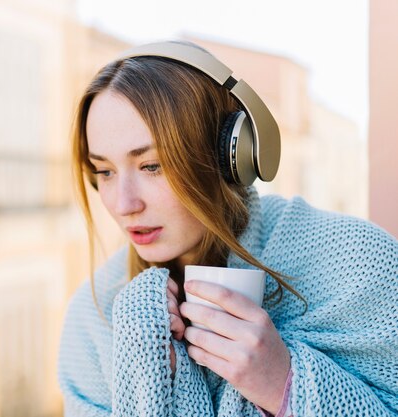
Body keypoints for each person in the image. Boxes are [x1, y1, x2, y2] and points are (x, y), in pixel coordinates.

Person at [57, 40, 398, 417]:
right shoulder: (94, 316)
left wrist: (283, 383)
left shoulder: (356, 262)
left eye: (152, 166)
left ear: (231, 157)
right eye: (104, 172)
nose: (124, 205)